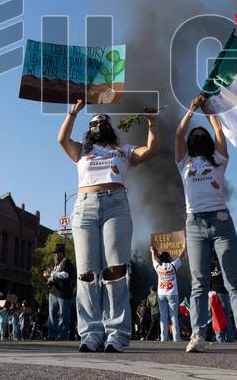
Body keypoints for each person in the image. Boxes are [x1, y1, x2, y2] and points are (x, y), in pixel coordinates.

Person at [58, 100, 159, 353]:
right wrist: (73, 112)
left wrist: (151, 121)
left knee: (115, 270)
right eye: (93, 123)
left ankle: (116, 333)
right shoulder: (81, 151)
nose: (98, 125)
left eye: (102, 122)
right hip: (85, 207)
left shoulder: (122, 150)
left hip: (116, 206)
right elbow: (62, 139)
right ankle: (91, 333)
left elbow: (151, 150)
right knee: (87, 272)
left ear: (110, 127)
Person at [176, 95, 237, 354]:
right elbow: (178, 135)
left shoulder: (219, 159)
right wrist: (190, 111)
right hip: (195, 223)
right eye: (194, 135)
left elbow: (220, 130)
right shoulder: (184, 162)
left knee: (233, 280)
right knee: (199, 283)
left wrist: (208, 111)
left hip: (221, 221)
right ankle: (198, 335)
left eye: (202, 134)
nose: (198, 137)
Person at [149, 247, 183, 343]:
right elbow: (181, 256)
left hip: (161, 294)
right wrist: (184, 248)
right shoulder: (172, 266)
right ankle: (176, 338)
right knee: (174, 316)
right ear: (168, 258)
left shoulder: (159, 267)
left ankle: (164, 338)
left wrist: (152, 252)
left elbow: (153, 260)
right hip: (173, 293)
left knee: (163, 316)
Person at [44, 244, 74, 341]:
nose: (55, 255)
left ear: (61, 253)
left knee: (63, 315)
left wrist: (52, 273)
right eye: (54, 253)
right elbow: (55, 277)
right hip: (54, 292)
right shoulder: (57, 264)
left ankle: (62, 335)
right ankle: (52, 335)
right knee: (52, 314)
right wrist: (48, 277)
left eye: (56, 253)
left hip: (63, 293)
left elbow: (65, 275)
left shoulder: (66, 262)